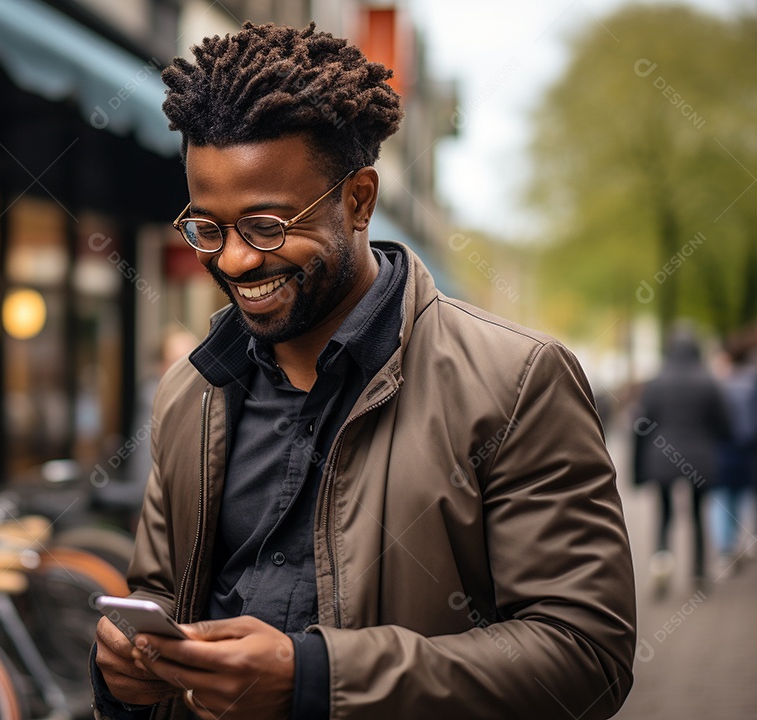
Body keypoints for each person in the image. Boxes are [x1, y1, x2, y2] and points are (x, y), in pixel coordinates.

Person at [92, 22, 636, 720]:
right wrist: (127, 674)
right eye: (208, 228)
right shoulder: (188, 392)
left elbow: (585, 656)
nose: (232, 261)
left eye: (266, 226)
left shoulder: (518, 380)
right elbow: (163, 600)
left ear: (359, 201)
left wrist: (316, 679)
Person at [632, 323, 731, 596]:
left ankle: (662, 559)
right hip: (701, 457)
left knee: (664, 513)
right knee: (699, 515)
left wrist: (637, 467)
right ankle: (698, 572)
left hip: (662, 457)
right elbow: (725, 424)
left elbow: (641, 422)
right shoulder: (709, 380)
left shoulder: (657, 380)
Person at [709, 335, 757, 576]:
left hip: (721, 451)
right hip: (748, 450)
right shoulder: (752, 381)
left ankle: (726, 551)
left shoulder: (718, 383)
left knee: (722, 500)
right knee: (744, 497)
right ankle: (747, 542)